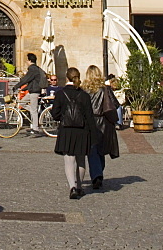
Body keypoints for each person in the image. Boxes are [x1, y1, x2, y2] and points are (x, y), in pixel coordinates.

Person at [51, 67, 98, 199]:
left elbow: (55, 114)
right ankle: (79, 187)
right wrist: (93, 135)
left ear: (67, 78)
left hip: (67, 130)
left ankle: (72, 187)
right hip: (82, 131)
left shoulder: (60, 94)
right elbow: (89, 117)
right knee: (81, 160)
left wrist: (63, 117)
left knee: (69, 161)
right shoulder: (84, 95)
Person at [82, 65, 120, 189]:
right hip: (103, 121)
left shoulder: (83, 90)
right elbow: (115, 105)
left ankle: (97, 175)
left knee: (92, 150)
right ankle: (98, 174)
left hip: (89, 121)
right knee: (101, 150)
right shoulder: (105, 89)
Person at [12, 53, 47, 137]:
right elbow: (31, 82)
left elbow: (26, 79)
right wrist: (23, 89)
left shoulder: (32, 69)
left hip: (35, 92)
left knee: (34, 110)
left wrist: (16, 86)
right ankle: (33, 115)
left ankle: (35, 128)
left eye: (27, 60)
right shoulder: (35, 69)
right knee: (21, 102)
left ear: (30, 60)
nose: (26, 62)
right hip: (32, 91)